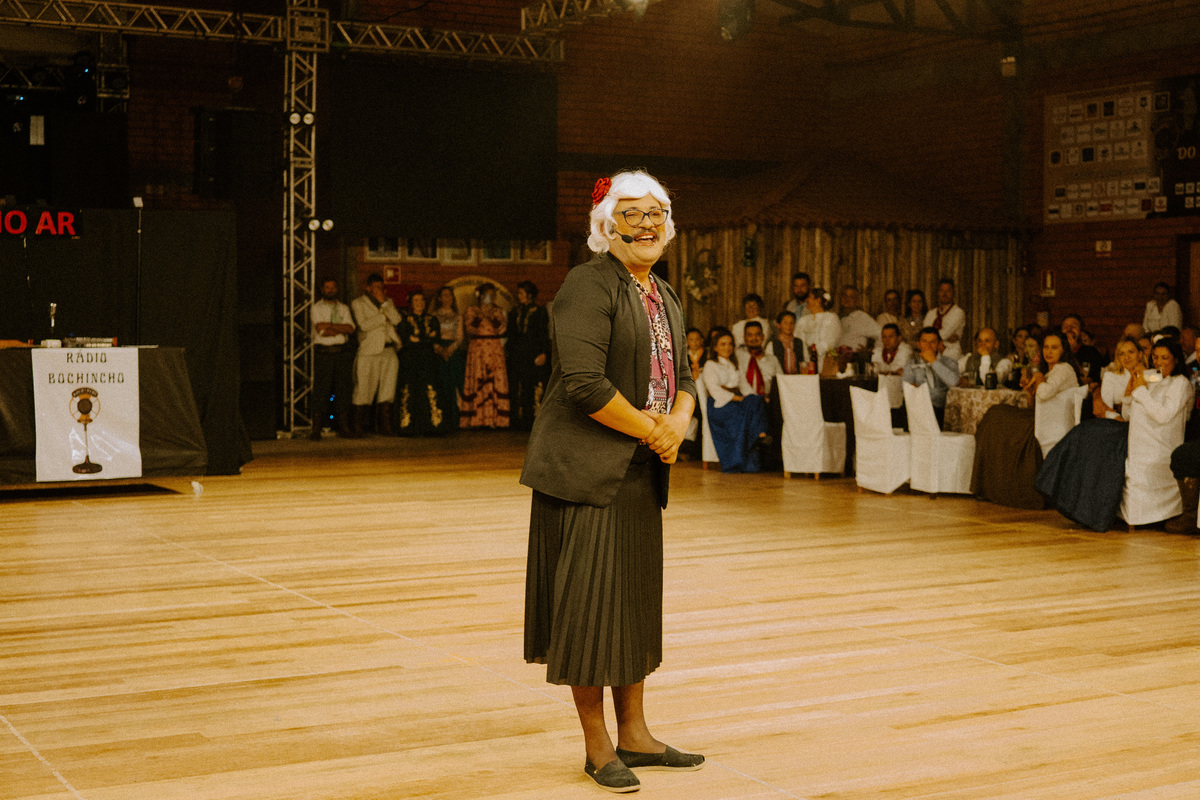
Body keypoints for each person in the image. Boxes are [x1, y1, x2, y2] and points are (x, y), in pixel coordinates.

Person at [520, 171, 703, 794]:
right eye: (633, 214)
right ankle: (598, 746)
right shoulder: (588, 283)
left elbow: (684, 376)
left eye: (656, 213)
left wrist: (677, 423)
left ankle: (637, 735)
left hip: (639, 472)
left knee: (632, 604)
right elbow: (584, 383)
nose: (647, 224)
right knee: (588, 609)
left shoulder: (663, 292)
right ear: (606, 226)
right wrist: (655, 432)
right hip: (586, 473)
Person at [1035, 338, 1141, 532]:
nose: (1126, 357)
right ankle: (1057, 488)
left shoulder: (1149, 376)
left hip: (1139, 428)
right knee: (1082, 434)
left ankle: (1095, 511)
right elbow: (1104, 408)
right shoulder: (1112, 376)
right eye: (1122, 353)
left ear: (1140, 354)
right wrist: (1117, 416)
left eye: (1131, 352)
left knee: (1096, 440)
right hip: (1115, 422)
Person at [1121, 337, 1194, 528]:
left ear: (1175, 359)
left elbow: (1163, 415)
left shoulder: (1180, 383)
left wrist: (1140, 391)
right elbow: (1128, 414)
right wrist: (1129, 392)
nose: (1159, 362)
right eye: (1155, 357)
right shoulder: (1153, 377)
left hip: (1162, 444)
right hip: (1139, 444)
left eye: (1164, 358)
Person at [703, 330, 769, 472]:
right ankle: (756, 436)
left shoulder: (734, 365)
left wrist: (757, 399)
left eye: (730, 344)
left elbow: (746, 388)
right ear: (715, 347)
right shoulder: (711, 365)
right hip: (720, 404)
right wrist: (736, 398)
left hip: (737, 400)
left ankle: (759, 434)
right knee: (742, 413)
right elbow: (714, 389)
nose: (727, 347)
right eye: (723, 344)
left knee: (756, 400)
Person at [394, 290, 453, 436]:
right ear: (411, 303)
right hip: (410, 360)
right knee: (411, 390)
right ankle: (409, 426)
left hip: (428, 360)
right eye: (416, 301)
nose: (419, 303)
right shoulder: (405, 320)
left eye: (421, 300)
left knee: (430, 388)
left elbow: (435, 338)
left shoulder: (432, 319)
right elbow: (407, 340)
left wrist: (419, 340)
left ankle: (433, 425)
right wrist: (425, 339)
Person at [351, 272, 403, 436]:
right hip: (369, 350)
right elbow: (364, 325)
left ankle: (385, 425)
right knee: (364, 388)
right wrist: (382, 317)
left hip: (389, 349)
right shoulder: (358, 303)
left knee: (388, 389)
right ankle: (359, 425)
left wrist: (384, 305)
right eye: (376, 287)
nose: (379, 290)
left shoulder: (388, 302)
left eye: (381, 287)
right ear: (368, 288)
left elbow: (397, 320)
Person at [310, 278, 357, 440]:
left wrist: (330, 325)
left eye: (333, 287)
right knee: (321, 390)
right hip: (324, 353)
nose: (330, 290)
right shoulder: (316, 308)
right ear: (322, 290)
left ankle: (343, 427)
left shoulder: (343, 308)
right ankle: (316, 429)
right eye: (327, 287)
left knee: (343, 389)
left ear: (337, 289)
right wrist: (339, 328)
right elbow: (320, 329)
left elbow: (350, 328)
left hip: (341, 353)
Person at [460, 283, 510, 428]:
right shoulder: (472, 310)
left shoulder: (498, 310)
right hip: (478, 349)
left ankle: (496, 419)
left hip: (494, 349)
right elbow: (470, 329)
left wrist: (491, 316)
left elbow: (502, 329)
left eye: (493, 296)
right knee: (478, 378)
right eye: (488, 295)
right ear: (481, 296)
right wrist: (480, 316)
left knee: (495, 380)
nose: (491, 298)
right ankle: (477, 418)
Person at [506, 280, 551, 431]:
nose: (519, 296)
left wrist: (543, 352)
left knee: (531, 386)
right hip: (517, 354)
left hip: (533, 354)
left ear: (529, 295)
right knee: (516, 386)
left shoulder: (539, 312)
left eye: (521, 293)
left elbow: (543, 334)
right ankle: (516, 419)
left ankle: (530, 419)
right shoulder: (514, 312)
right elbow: (511, 334)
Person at [903, 327, 959, 426]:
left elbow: (953, 382)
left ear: (939, 344)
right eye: (924, 341)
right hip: (919, 408)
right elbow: (906, 387)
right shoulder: (911, 365)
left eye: (933, 342)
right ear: (919, 344)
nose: (928, 346)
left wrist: (933, 361)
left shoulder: (949, 363)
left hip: (942, 409)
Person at [432, 285, 466, 427]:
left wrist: (450, 349)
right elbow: (431, 335)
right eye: (444, 295)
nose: (447, 298)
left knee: (454, 382)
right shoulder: (434, 315)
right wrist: (440, 349)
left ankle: (455, 417)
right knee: (440, 382)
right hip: (438, 350)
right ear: (439, 298)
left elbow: (460, 337)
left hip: (452, 350)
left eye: (449, 295)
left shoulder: (457, 316)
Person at [1021, 330, 1079, 408]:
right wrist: (1031, 392)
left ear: (1063, 350)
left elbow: (1043, 394)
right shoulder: (1049, 371)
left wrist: (1039, 377)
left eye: (1054, 348)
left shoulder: (1064, 368)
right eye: (1046, 347)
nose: (1049, 352)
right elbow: (1033, 405)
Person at [796, 288, 839, 372]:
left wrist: (813, 351)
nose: (806, 300)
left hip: (824, 363)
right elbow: (798, 339)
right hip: (805, 364)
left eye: (809, 297)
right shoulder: (803, 320)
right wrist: (805, 355)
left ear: (818, 300)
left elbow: (830, 342)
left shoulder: (831, 318)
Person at [735, 320, 781, 398]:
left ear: (763, 336)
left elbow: (781, 383)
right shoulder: (738, 357)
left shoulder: (773, 360)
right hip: (743, 400)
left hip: (767, 399)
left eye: (757, 334)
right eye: (750, 335)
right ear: (744, 338)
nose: (754, 338)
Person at [924, 278, 966, 361]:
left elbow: (944, 334)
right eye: (942, 290)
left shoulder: (958, 312)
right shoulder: (931, 313)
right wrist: (944, 339)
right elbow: (925, 333)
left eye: (948, 291)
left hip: (950, 352)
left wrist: (939, 338)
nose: (944, 293)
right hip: (930, 351)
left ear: (953, 293)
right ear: (938, 293)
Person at [837, 285, 881, 352]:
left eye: (851, 297)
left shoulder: (862, 317)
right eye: (844, 296)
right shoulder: (836, 317)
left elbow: (881, 334)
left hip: (855, 357)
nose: (847, 299)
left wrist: (873, 353)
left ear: (857, 301)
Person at [1060, 314, 1103, 384]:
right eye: (1065, 327)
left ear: (1081, 332)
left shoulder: (1091, 352)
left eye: (1074, 326)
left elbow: (1094, 378)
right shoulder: (1056, 351)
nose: (1069, 329)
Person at [768, 310, 804, 375]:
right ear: (778, 325)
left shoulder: (799, 343)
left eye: (791, 323)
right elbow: (769, 367)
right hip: (779, 379)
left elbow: (805, 363)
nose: (788, 326)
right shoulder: (772, 344)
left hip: (798, 378)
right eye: (785, 323)